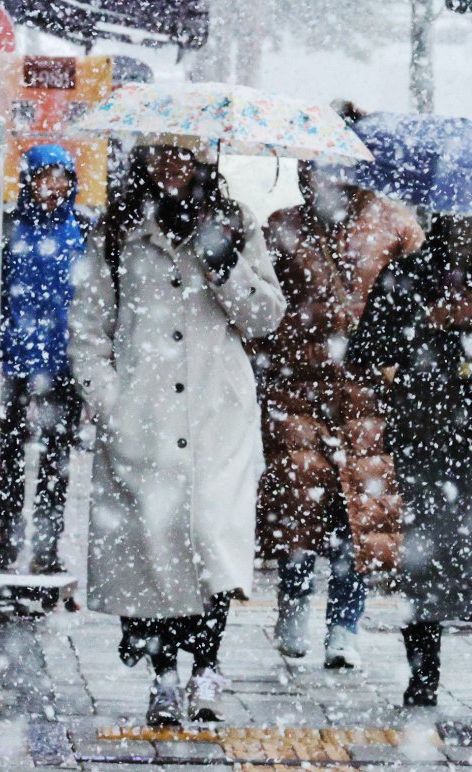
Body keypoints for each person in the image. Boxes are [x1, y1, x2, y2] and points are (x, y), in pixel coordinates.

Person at [68, 139, 285, 726]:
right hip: (144, 421)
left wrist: (223, 262)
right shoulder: (117, 231)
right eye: (160, 154)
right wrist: (109, 402)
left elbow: (267, 315)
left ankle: (207, 664)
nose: (171, 165)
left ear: (203, 161)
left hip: (219, 417)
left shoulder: (235, 224)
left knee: (213, 539)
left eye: (183, 155)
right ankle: (164, 674)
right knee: (153, 553)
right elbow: (88, 330)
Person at [348, 214, 472, 708]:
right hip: (425, 432)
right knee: (426, 551)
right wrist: (424, 323)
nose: (469, 222)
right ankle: (424, 675)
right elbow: (364, 350)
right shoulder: (409, 273)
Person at [256, 161, 423, 669]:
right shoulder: (283, 226)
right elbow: (264, 303)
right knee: (298, 508)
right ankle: (293, 605)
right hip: (298, 389)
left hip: (366, 395)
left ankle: (345, 627)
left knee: (357, 517)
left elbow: (413, 300)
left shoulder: (395, 226)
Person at [0, 144, 89, 574]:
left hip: (63, 360)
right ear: (28, 181)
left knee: (56, 460)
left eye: (61, 178)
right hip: (16, 358)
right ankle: (7, 540)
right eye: (44, 178)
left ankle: (48, 547)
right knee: (11, 456)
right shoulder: (10, 227)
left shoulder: (83, 229)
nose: (53, 188)